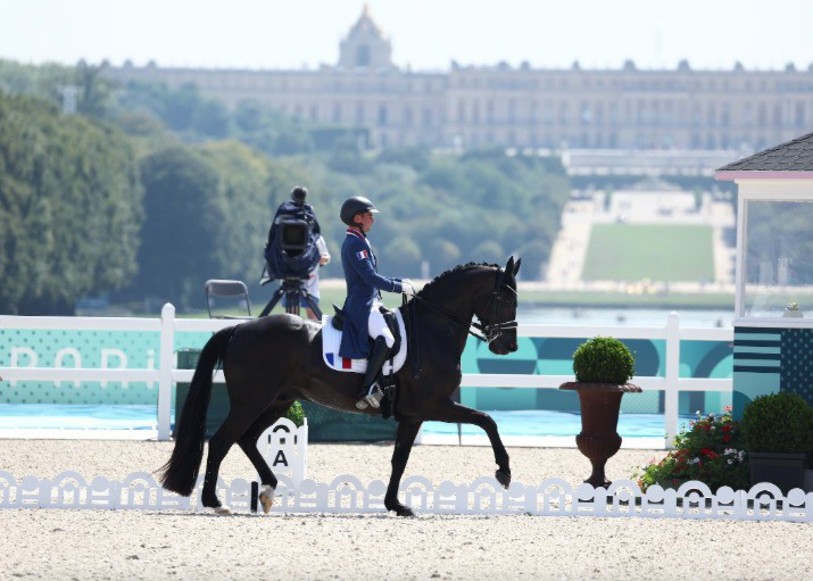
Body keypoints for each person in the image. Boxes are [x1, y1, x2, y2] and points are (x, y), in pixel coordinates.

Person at [338, 196, 415, 410]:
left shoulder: (360, 240)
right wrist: (397, 287)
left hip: (372, 300)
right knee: (387, 339)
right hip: (362, 305)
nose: (373, 219)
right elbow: (370, 277)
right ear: (357, 218)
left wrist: (400, 281)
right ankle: (367, 389)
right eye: (369, 215)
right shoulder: (354, 244)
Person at [267, 186, 330, 321]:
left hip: (298, 283)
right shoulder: (315, 238)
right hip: (308, 283)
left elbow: (325, 257)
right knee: (308, 320)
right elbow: (325, 257)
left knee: (299, 319)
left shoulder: (281, 236)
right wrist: (314, 259)